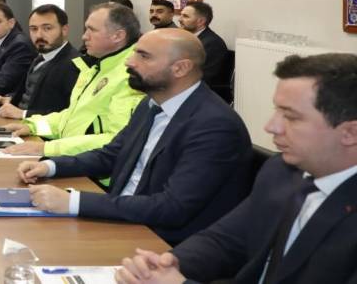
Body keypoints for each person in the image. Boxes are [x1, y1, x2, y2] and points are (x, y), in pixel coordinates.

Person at [116, 53, 357, 283]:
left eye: (291, 117)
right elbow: (226, 241)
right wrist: (168, 264)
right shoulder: (281, 170)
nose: (271, 127)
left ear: (350, 133)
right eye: (277, 111)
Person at [16, 28, 251, 245]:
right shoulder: (151, 104)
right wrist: (50, 166)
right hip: (124, 219)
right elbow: (112, 154)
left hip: (161, 243)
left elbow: (172, 207)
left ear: (180, 68)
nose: (129, 61)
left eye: (144, 56)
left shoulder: (214, 126)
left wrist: (73, 202)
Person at [2, 3, 144, 157]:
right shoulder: (97, 67)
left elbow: (117, 139)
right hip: (75, 157)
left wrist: (47, 148)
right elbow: (72, 118)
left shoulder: (131, 76)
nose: (84, 36)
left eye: (92, 30)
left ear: (118, 36)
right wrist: (33, 126)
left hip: (94, 168)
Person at [0, 4, 80, 118]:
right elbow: (33, 95)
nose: (39, 35)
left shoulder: (74, 64)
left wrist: (23, 114)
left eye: (47, 28)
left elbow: (70, 113)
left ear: (64, 30)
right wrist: (8, 99)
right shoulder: (41, 57)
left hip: (33, 127)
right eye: (34, 29)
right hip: (16, 120)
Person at [179, 1, 229, 86]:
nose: (179, 19)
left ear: (201, 21)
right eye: (181, 15)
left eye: (185, 16)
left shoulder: (213, 44)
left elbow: (204, 77)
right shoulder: (186, 38)